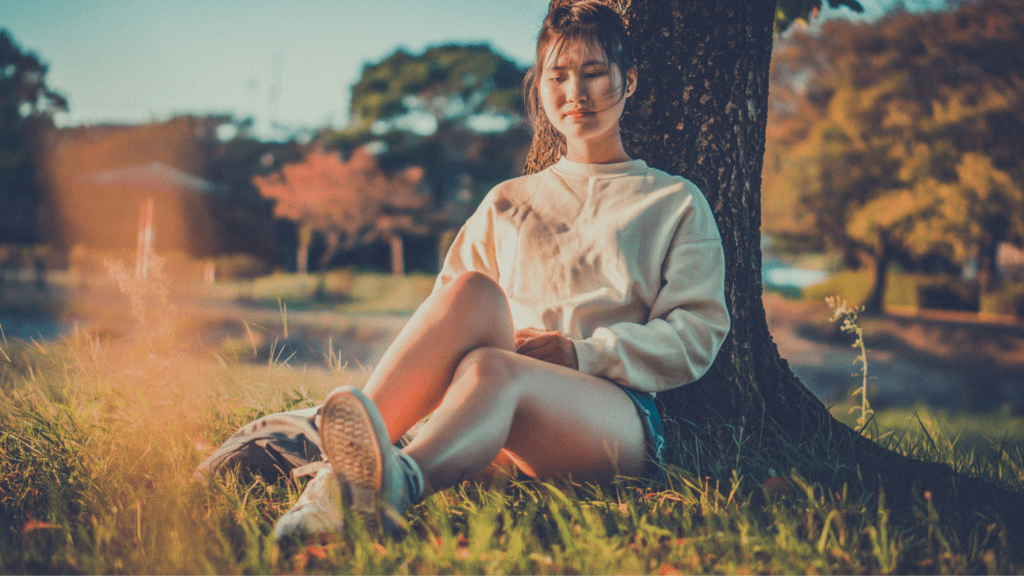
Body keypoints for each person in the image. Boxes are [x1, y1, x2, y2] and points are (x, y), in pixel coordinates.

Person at [221, 0, 730, 539]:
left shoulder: (673, 201)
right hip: (493, 399)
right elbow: (443, 325)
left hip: (612, 414)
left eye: (594, 73)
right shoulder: (507, 201)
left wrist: (583, 352)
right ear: (539, 87)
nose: (575, 93)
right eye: (558, 75)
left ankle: (398, 483)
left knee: (495, 368)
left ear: (628, 82)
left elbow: (697, 334)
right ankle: (336, 482)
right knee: (469, 293)